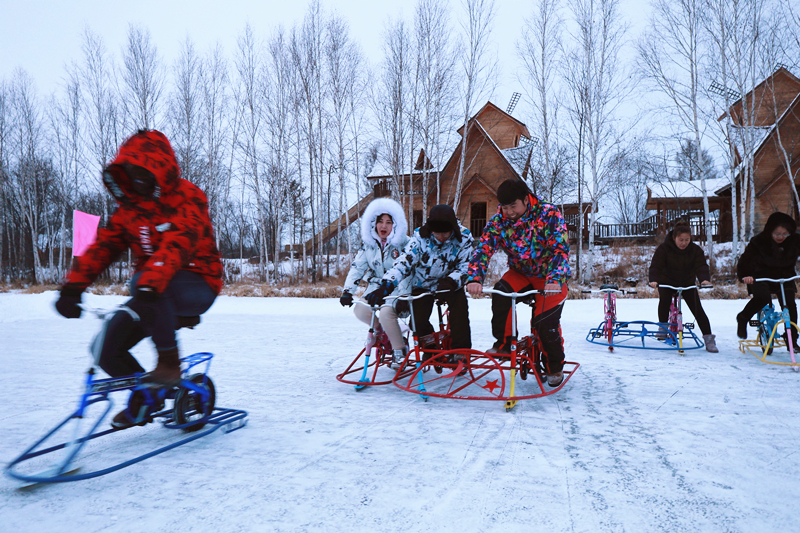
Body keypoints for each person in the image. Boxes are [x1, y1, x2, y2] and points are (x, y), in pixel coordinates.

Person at [55, 130, 223, 430]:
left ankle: (169, 363)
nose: (137, 180)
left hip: (197, 284)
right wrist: (73, 287)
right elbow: (103, 248)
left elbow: (179, 242)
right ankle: (147, 398)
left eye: (144, 173)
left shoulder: (188, 196)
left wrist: (150, 281)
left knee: (145, 282)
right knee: (104, 346)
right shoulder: (128, 212)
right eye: (130, 173)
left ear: (160, 171)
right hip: (152, 290)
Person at [465, 179, 570, 387]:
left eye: (513, 206)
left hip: (549, 276)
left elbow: (560, 248)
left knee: (544, 324)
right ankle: (504, 344)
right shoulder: (499, 222)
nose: (510, 212)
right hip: (520, 273)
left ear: (525, 199)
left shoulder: (548, 214)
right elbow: (483, 248)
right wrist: (475, 277)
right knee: (501, 292)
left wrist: (555, 278)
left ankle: (554, 366)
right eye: (505, 207)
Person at [365, 204, 474, 366]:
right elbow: (403, 263)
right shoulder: (420, 238)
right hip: (424, 284)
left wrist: (451, 281)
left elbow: (466, 266)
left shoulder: (464, 237)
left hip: (450, 283)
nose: (441, 237)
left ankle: (460, 352)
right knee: (417, 318)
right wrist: (386, 285)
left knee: (460, 309)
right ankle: (431, 347)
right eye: (437, 234)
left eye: (445, 234)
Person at [340, 198, 411, 367]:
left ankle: (399, 350)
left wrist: (404, 296)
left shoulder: (404, 243)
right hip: (375, 288)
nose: (384, 226)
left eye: (388, 222)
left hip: (397, 290)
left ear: (396, 224)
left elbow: (408, 272)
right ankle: (382, 332)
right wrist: (347, 291)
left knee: (387, 314)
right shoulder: (369, 245)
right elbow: (357, 268)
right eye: (380, 222)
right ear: (373, 224)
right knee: (360, 310)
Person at [648, 222, 717, 352]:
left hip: (687, 283)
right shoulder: (664, 248)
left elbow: (701, 266)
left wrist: (704, 280)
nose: (683, 243)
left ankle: (709, 339)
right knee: (664, 300)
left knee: (698, 309)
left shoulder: (695, 250)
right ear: (674, 238)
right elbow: (656, 265)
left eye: (687, 240)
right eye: (681, 240)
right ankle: (663, 327)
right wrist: (654, 280)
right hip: (667, 282)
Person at [736, 212, 800, 344]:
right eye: (777, 234)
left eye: (785, 234)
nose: (781, 237)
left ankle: (792, 339)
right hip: (760, 276)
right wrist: (745, 276)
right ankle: (743, 317)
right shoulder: (758, 242)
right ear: (770, 231)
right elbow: (744, 262)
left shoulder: (795, 241)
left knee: (790, 305)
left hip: (784, 276)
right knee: (763, 298)